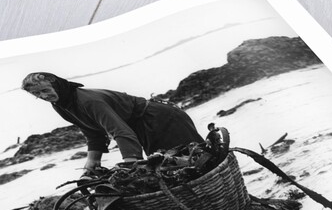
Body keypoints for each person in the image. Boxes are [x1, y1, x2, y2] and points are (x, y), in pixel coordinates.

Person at [21, 72, 204, 173]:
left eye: (45, 90)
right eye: (37, 94)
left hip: (160, 119)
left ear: (55, 83)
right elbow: (92, 132)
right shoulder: (61, 104)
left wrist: (131, 164)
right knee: (169, 167)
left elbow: (120, 132)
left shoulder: (88, 101)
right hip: (141, 126)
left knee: (193, 161)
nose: (44, 96)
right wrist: (93, 160)